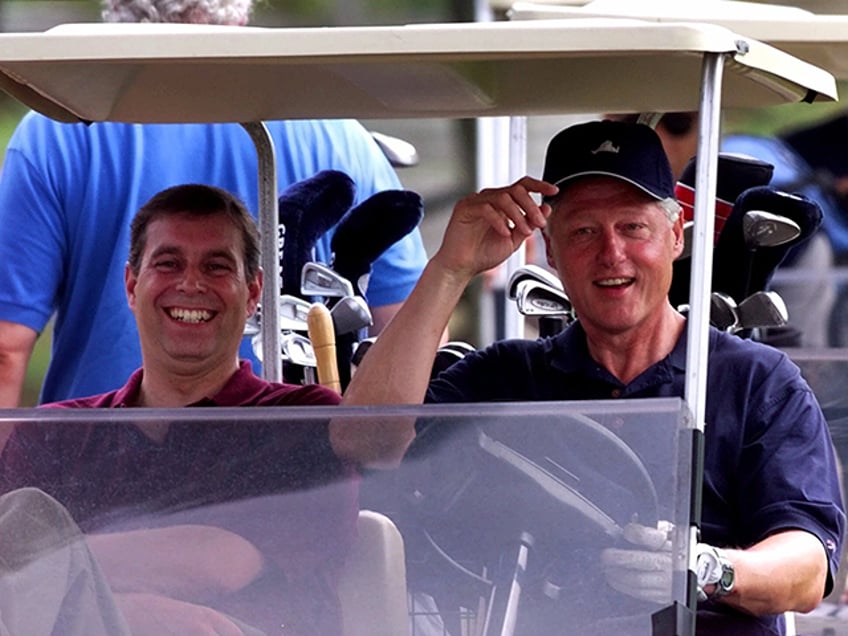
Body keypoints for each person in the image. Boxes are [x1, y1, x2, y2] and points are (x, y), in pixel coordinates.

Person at [343, 119, 846, 634]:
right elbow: (366, 441)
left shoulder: (756, 381)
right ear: (551, 253)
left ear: (675, 236)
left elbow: (807, 566)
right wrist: (450, 268)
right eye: (583, 231)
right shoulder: (507, 377)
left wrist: (707, 569)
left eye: (633, 227)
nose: (611, 253)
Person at [0, 184, 409, 636]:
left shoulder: (299, 423)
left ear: (253, 293)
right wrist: (124, 609)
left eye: (216, 267)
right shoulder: (56, 433)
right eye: (168, 263)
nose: (191, 283)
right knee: (27, 514)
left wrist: (54, 574)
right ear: (132, 286)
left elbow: (216, 564)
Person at [0, 0, 428, 408]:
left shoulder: (58, 129)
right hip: (298, 467)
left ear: (118, 11)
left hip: (94, 467)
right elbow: (412, 330)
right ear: (241, 9)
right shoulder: (336, 128)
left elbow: (5, 348)